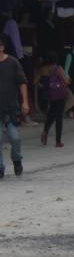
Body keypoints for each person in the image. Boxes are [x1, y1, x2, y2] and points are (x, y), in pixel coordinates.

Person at [0, 34, 29, 177]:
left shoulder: (13, 62)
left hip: (12, 107)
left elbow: (22, 82)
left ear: (2, 47)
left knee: (15, 137)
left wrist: (25, 102)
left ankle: (17, 160)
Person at [37, 52, 70, 147]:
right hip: (60, 95)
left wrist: (44, 86)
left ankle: (45, 130)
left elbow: (35, 81)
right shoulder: (58, 68)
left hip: (50, 95)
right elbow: (66, 81)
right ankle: (58, 141)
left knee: (52, 114)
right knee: (59, 117)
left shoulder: (42, 69)